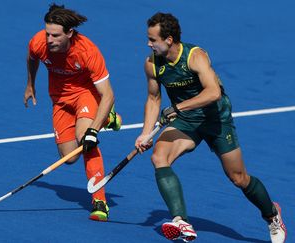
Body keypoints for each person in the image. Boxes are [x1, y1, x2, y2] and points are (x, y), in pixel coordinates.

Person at [135, 13, 287, 242]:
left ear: (168, 39)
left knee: (238, 178)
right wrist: (145, 134)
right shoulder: (152, 64)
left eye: (152, 39)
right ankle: (180, 221)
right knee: (159, 157)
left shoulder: (195, 56)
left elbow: (213, 92)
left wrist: (178, 107)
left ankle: (271, 214)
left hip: (216, 119)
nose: (148, 44)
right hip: (187, 121)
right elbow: (153, 99)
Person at [23, 4, 122, 222]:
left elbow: (108, 94)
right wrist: (30, 84)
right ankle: (107, 118)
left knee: (86, 140)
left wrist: (93, 130)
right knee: (69, 157)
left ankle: (99, 200)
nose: (50, 39)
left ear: (69, 33)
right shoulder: (39, 42)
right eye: (48, 33)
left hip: (86, 95)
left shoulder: (87, 51)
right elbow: (32, 58)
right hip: (59, 99)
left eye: (55, 35)